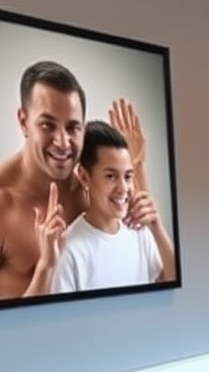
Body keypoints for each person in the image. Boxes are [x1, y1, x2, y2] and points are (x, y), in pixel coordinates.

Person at [0, 61, 151, 299]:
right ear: (23, 121)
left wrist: (136, 165)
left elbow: (142, 239)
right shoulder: (3, 201)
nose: (62, 142)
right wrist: (45, 267)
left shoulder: (93, 184)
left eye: (72, 128)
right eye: (47, 125)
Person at [50, 121, 175, 293]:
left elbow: (171, 283)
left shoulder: (139, 231)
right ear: (85, 177)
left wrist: (157, 228)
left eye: (128, 176)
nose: (123, 188)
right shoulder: (69, 251)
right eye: (111, 176)